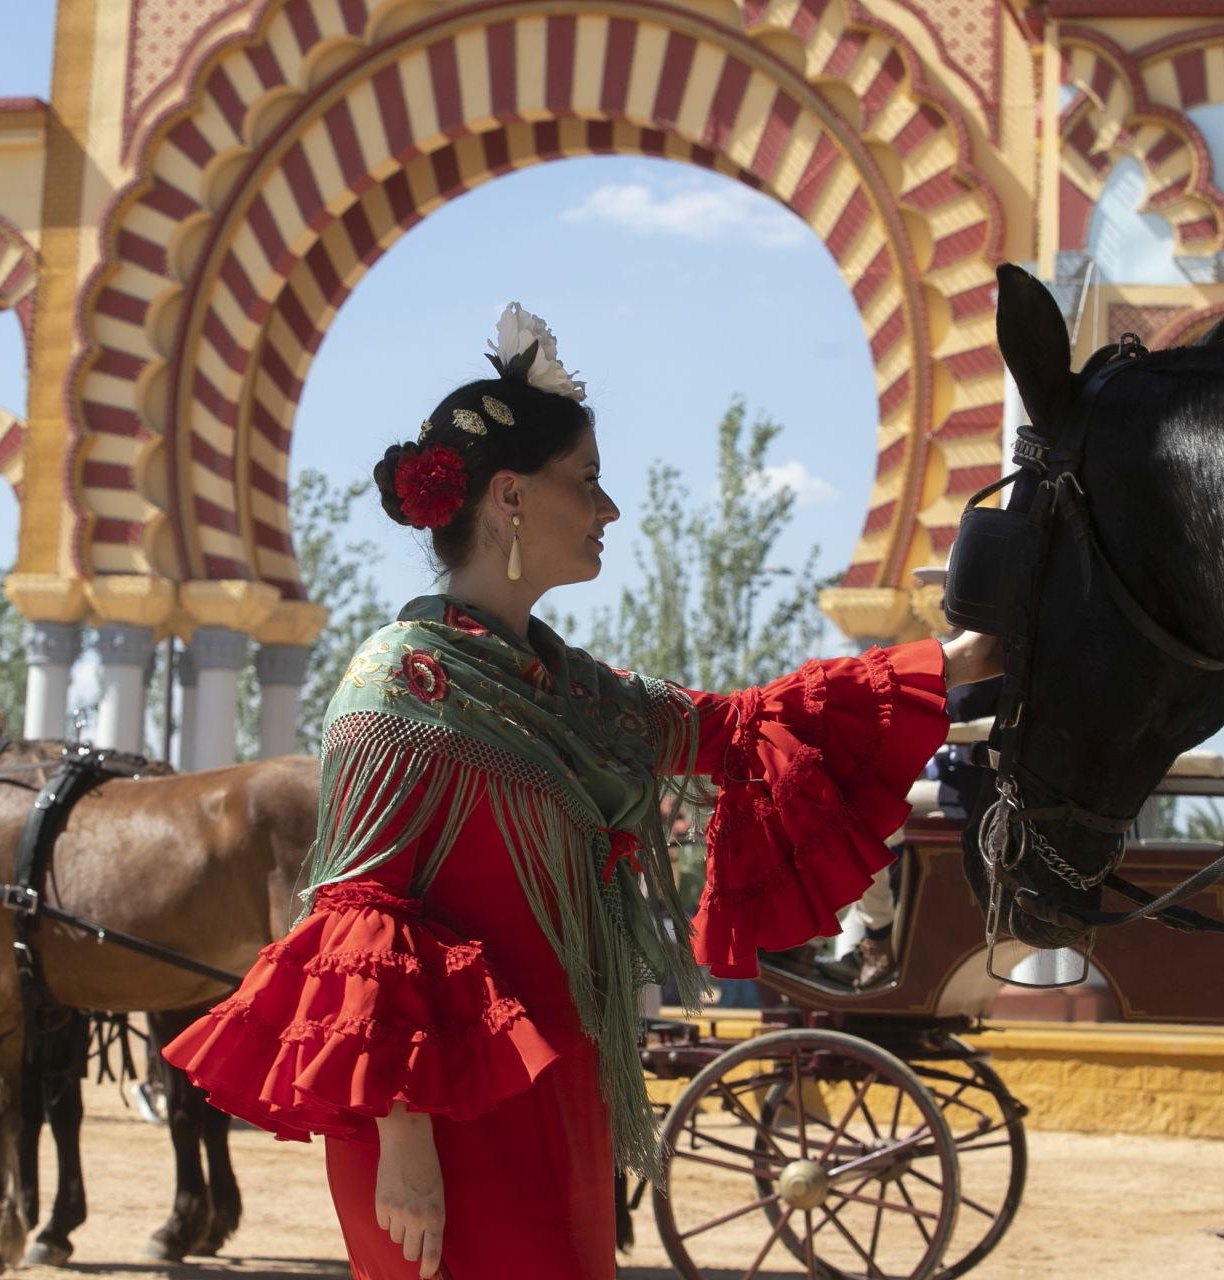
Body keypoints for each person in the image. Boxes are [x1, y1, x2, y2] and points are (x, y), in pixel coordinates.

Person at [162, 304, 1000, 1280]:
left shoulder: (568, 686)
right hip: (439, 1118)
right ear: (510, 496)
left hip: (559, 1090)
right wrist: (407, 1145)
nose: (610, 510)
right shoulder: (397, 684)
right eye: (590, 481)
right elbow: (362, 916)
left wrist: (950, 663)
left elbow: (735, 725)